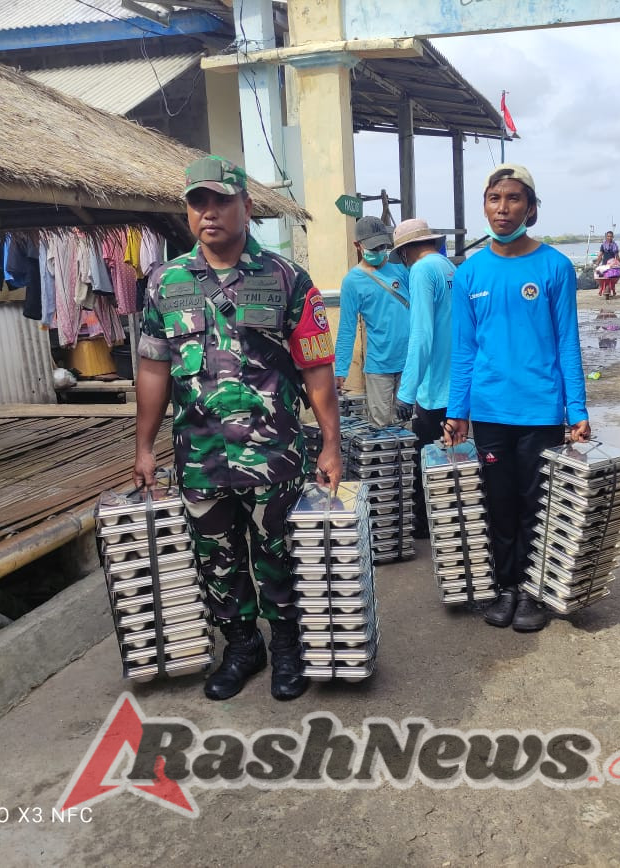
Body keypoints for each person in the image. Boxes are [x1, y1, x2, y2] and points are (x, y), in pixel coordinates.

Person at [134, 156, 342, 702]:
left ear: (247, 207)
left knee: (279, 553)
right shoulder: (164, 282)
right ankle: (242, 646)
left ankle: (289, 647)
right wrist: (143, 447)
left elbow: (316, 366)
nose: (209, 213)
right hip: (199, 456)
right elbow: (153, 367)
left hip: (272, 454)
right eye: (198, 202)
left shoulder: (286, 278)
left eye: (221, 201)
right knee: (216, 560)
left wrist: (331, 442)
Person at [445, 164, 591, 633]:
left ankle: (533, 591)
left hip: (541, 411)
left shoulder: (554, 267)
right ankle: (506, 586)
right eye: (493, 199)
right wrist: (457, 412)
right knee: (497, 502)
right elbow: (464, 349)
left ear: (531, 207)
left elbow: (568, 341)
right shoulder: (468, 273)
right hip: (490, 412)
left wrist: (578, 410)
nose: (502, 209)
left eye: (512, 199)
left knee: (537, 503)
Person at [391, 218, 456, 540]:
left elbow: (422, 334)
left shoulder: (420, 271)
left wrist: (407, 391)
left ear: (405, 252)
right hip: (458, 382)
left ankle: (423, 524)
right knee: (456, 458)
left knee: (425, 459)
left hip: (434, 388)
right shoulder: (450, 268)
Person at [334, 216, 411, 426]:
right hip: (379, 366)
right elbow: (347, 328)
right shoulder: (352, 282)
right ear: (357, 246)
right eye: (372, 247)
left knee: (408, 429)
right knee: (381, 429)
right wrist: (341, 370)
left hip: (410, 363)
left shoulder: (402, 270)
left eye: (382, 246)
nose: (378, 251)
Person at [593, 230, 620, 297]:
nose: (609, 238)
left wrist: (619, 264)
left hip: (612, 265)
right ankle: (601, 287)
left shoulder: (615, 246)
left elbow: (617, 256)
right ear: (606, 237)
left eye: (611, 236)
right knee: (600, 276)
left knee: (613, 277)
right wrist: (597, 263)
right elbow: (600, 255)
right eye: (608, 236)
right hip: (604, 264)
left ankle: (611, 288)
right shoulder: (603, 245)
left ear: (613, 237)